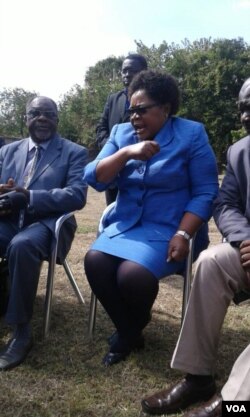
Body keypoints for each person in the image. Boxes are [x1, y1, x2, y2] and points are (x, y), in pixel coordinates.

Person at [83, 70, 218, 367]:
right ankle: (131, 331)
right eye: (131, 110)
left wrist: (183, 234)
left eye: (142, 110)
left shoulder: (191, 134)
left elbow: (206, 191)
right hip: (125, 225)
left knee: (131, 275)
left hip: (170, 229)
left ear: (166, 109)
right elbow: (94, 177)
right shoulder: (121, 135)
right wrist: (127, 153)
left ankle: (130, 329)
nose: (134, 117)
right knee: (94, 261)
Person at [141, 77, 250, 416]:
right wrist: (245, 239)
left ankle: (236, 404)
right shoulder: (239, 151)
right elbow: (225, 205)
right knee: (212, 260)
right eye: (243, 107)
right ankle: (198, 376)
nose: (247, 115)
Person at [0, 96, 88, 371]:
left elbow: (76, 195)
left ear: (57, 119)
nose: (42, 118)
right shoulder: (7, 151)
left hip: (48, 225)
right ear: (25, 118)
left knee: (22, 246)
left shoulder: (74, 152)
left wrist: (28, 197)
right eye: (35, 113)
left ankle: (20, 331)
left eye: (48, 113)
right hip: (9, 220)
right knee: (13, 240)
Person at [96, 53, 148, 205]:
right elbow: (101, 127)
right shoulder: (114, 99)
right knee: (113, 215)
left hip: (140, 170)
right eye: (124, 71)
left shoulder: (156, 100)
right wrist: (113, 149)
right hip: (112, 171)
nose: (126, 74)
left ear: (144, 71)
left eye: (131, 70)